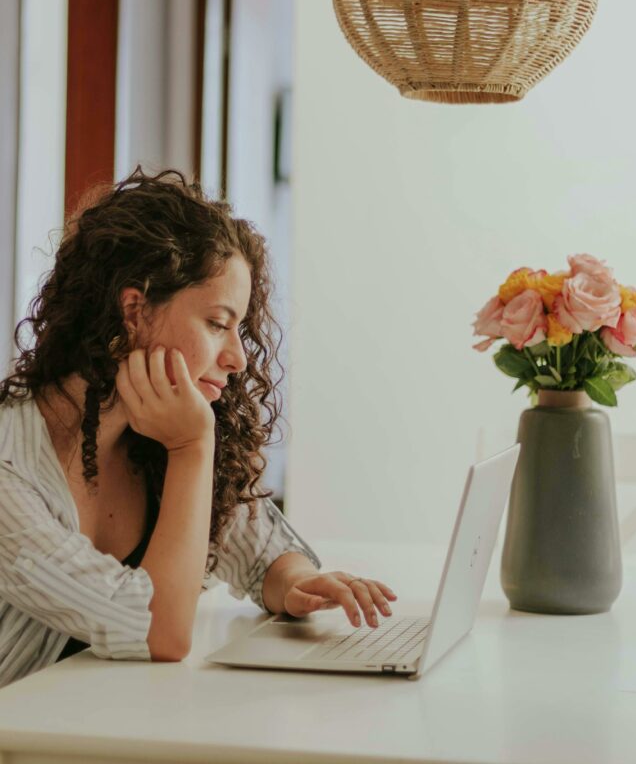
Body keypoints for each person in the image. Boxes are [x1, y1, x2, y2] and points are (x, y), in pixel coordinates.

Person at [0, 167, 396, 687]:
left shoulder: (147, 437)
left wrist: (298, 582)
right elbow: (161, 635)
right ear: (134, 311)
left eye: (239, 329)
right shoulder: (10, 468)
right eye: (216, 324)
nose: (237, 358)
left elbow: (265, 553)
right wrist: (191, 447)